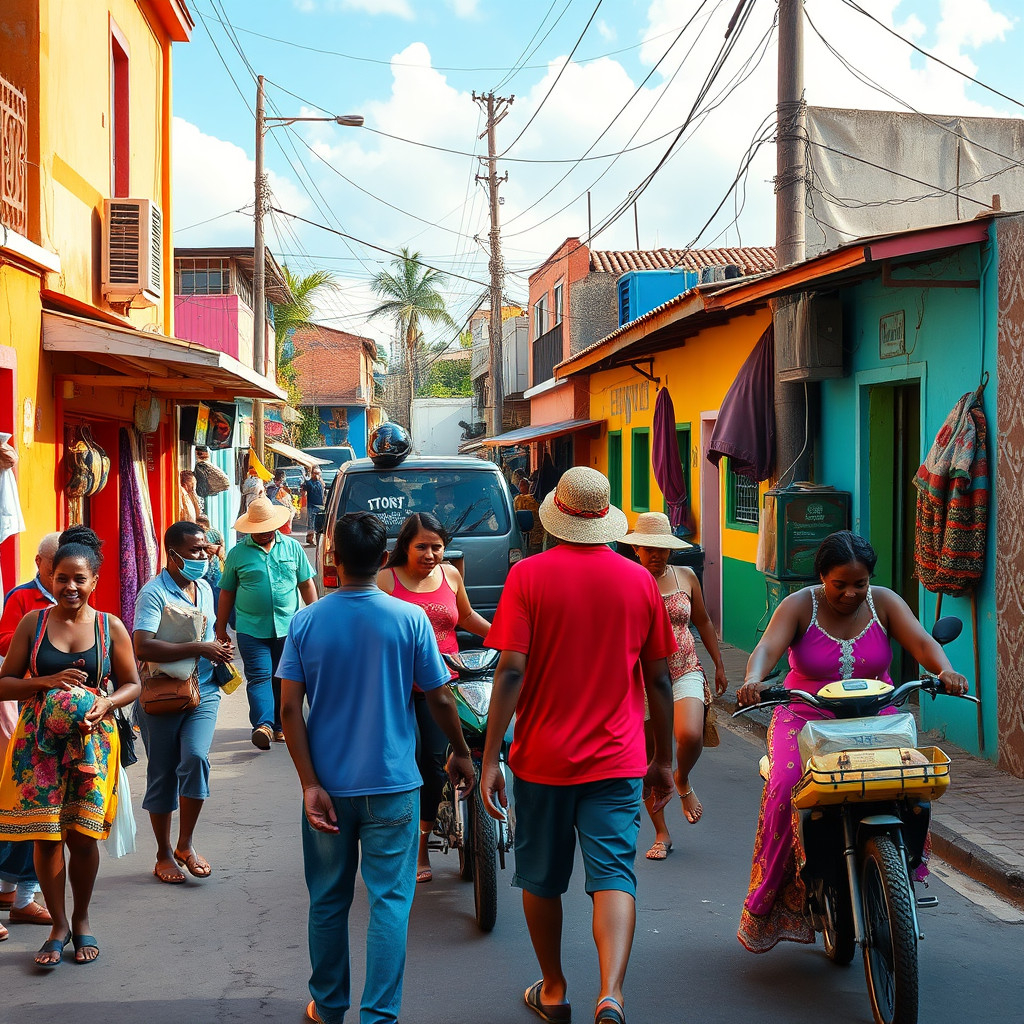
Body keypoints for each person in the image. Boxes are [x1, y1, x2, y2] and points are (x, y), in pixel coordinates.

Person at [480, 467, 677, 1024]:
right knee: (614, 874)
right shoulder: (639, 580)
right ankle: (610, 992)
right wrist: (663, 759)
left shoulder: (528, 576)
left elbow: (511, 670)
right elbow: (660, 680)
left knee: (541, 878)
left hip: (542, 758)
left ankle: (553, 987)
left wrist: (492, 756)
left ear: (556, 516)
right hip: (617, 760)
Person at [278, 511, 476, 1024]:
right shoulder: (408, 619)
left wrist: (308, 783)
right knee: (389, 903)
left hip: (329, 787)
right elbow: (440, 699)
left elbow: (287, 711)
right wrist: (460, 750)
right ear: (385, 558)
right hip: (394, 784)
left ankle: (328, 1007)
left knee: (328, 900)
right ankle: (379, 1016)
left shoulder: (306, 620)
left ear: (332, 561)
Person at [735, 530, 970, 954]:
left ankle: (901, 865)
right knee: (788, 785)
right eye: (839, 584)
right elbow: (768, 647)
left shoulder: (884, 602)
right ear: (822, 576)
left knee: (912, 776)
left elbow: (921, 641)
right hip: (805, 715)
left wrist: (946, 670)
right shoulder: (799, 606)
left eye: (859, 583)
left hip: (876, 714)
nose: (850, 593)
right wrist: (753, 680)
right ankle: (769, 894)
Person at [0, 526, 141, 966]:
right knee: (45, 838)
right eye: (62, 578)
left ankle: (81, 920)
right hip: (37, 751)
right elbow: (3, 683)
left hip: (93, 748)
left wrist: (106, 701)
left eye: (79, 578)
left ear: (94, 580)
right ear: (50, 578)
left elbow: (133, 684)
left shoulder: (110, 626)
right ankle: (57, 926)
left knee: (82, 837)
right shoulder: (32, 622)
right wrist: (46, 681)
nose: (70, 587)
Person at [377, 511, 491, 884]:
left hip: (447, 684)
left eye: (437, 547)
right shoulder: (385, 581)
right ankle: (421, 847)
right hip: (400, 689)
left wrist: (510, 641)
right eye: (421, 546)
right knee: (420, 765)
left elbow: (467, 617)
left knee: (453, 755)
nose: (430, 554)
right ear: (404, 547)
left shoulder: (451, 575)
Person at [134, 521, 235, 885]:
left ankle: (185, 844)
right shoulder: (153, 593)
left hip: (203, 690)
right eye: (194, 550)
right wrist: (199, 647)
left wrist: (216, 651)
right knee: (162, 771)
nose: (203, 555)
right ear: (172, 554)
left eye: (205, 549)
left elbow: (205, 637)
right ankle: (163, 853)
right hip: (161, 695)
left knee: (195, 758)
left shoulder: (205, 588)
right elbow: (142, 646)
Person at [622, 512, 728, 858]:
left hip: (684, 669)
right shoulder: (628, 580)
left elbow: (703, 621)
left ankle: (681, 778)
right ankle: (662, 833)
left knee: (690, 735)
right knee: (651, 758)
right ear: (636, 548)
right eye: (649, 548)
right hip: (643, 679)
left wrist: (719, 664)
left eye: (663, 549)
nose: (656, 555)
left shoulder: (686, 576)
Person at [215, 497, 317, 749]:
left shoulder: (292, 548)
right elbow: (227, 591)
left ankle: (282, 726)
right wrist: (221, 628)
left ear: (275, 526)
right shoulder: (237, 554)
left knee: (284, 677)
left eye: (266, 529)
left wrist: (315, 620)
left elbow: (306, 583)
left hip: (288, 627)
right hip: (251, 628)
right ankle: (264, 725)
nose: (262, 534)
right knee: (260, 676)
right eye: (257, 530)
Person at [0, 532, 61, 930]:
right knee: (25, 806)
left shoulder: (79, 601)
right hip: (24, 713)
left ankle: (22, 896)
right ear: (40, 562)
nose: (64, 579)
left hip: (63, 723)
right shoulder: (22, 600)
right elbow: (6, 645)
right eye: (57, 569)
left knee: (46, 813)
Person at [513, 477, 542, 555]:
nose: (520, 487)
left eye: (522, 485)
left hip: (532, 538)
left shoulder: (520, 499)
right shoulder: (521, 499)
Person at [300, 466, 326, 546]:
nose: (316, 475)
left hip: (321, 506)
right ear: (312, 474)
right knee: (311, 523)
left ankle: (318, 540)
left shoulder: (321, 483)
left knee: (320, 524)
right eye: (315, 473)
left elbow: (324, 494)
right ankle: (310, 539)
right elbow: (303, 492)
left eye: (318, 473)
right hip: (312, 506)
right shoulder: (309, 483)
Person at [267, 471, 295, 536]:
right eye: (280, 480)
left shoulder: (281, 488)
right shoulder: (272, 488)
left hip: (279, 512)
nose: (281, 482)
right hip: (278, 512)